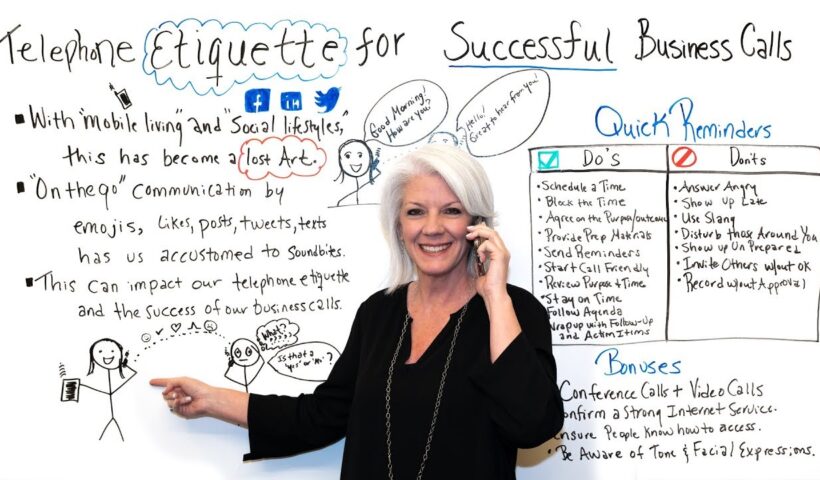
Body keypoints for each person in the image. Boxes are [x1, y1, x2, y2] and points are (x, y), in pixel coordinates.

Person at [151, 144, 564, 479]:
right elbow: (321, 416)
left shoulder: (513, 311)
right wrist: (211, 400)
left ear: (477, 224)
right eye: (416, 211)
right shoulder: (378, 313)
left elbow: (534, 425)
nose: (432, 227)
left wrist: (494, 295)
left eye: (452, 211)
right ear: (399, 225)